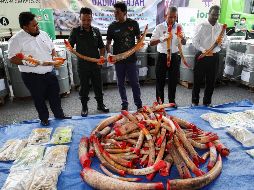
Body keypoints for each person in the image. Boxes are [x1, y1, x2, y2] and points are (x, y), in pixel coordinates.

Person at [8, 12, 71, 126]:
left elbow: (52, 48)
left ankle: (59, 115)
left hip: (49, 72)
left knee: (55, 96)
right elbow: (12, 58)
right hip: (32, 76)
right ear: (25, 27)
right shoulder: (16, 39)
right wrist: (25, 62)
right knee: (39, 99)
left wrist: (54, 57)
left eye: (37, 24)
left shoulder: (43, 34)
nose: (37, 27)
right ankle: (44, 119)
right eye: (34, 25)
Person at [68, 7, 109, 117]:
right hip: (83, 65)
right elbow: (70, 46)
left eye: (88, 20)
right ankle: (84, 107)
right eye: (83, 20)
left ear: (91, 18)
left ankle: (100, 104)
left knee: (98, 86)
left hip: (96, 64)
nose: (86, 22)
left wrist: (101, 56)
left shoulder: (96, 31)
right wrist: (68, 46)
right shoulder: (75, 31)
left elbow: (102, 47)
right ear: (80, 19)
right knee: (84, 87)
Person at [106, 1, 142, 111]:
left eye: (117, 12)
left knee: (135, 83)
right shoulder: (112, 27)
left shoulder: (133, 24)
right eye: (114, 12)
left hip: (131, 60)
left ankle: (138, 103)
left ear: (124, 12)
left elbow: (139, 39)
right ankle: (124, 103)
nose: (115, 14)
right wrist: (109, 53)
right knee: (120, 83)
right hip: (118, 60)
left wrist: (139, 45)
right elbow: (108, 43)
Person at [150, 6, 186, 107]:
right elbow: (151, 43)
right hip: (162, 56)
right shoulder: (159, 27)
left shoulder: (179, 26)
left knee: (173, 81)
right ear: (166, 15)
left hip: (174, 56)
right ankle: (160, 104)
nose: (172, 20)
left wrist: (183, 38)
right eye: (170, 17)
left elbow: (184, 42)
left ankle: (171, 102)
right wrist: (161, 39)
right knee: (160, 81)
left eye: (175, 17)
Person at [191, 5, 225, 107]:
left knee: (211, 81)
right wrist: (204, 50)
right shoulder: (201, 25)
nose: (215, 17)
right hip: (202, 55)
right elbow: (195, 41)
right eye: (213, 14)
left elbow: (225, 40)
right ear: (209, 13)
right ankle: (194, 102)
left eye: (217, 15)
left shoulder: (221, 27)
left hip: (214, 57)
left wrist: (222, 43)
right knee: (197, 81)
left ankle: (207, 102)